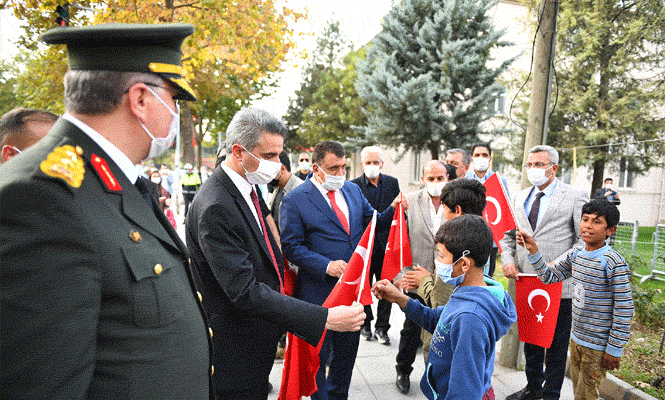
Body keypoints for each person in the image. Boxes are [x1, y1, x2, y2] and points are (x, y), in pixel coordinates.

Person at [1, 23, 213, 399]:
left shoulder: (113, 181)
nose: (177, 114)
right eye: (175, 98)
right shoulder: (43, 197)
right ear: (141, 100)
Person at [186, 110, 366, 400]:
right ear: (237, 151)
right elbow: (244, 290)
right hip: (236, 349)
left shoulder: (246, 189)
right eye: (269, 155)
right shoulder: (217, 205)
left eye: (280, 155)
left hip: (257, 340)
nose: (277, 164)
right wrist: (325, 318)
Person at [280, 140, 404, 400]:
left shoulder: (352, 191)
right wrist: (326, 265)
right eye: (333, 168)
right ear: (316, 168)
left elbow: (373, 223)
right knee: (319, 359)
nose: (339, 174)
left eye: (343, 168)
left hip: (353, 294)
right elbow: (291, 247)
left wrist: (393, 209)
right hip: (318, 295)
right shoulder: (295, 199)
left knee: (345, 360)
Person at [373, 214, 517, 400]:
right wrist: (400, 298)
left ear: (464, 264)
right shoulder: (468, 291)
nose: (437, 262)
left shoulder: (470, 318)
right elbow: (440, 321)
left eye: (441, 256)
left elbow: (465, 392)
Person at [517, 199, 633, 400]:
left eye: (597, 222)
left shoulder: (613, 262)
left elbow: (624, 308)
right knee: (579, 391)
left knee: (586, 394)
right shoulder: (576, 254)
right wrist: (533, 250)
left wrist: (614, 348)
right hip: (577, 339)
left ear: (610, 230)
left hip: (597, 346)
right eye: (585, 219)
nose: (588, 225)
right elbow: (548, 276)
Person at [501, 144, 589, 400]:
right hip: (528, 281)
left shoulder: (574, 196)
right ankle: (533, 387)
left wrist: (556, 265)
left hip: (559, 284)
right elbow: (507, 237)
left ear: (554, 168)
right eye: (530, 165)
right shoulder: (520, 197)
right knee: (531, 338)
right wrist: (508, 260)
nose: (533, 170)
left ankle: (551, 393)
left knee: (556, 345)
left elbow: (582, 241)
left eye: (539, 165)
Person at [403, 178, 488, 366]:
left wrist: (424, 280)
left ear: (457, 210)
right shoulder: (483, 235)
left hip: (444, 342)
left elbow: (440, 302)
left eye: (444, 207)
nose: (442, 212)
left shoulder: (456, 243)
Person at [391, 160, 450, 394]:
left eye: (440, 178)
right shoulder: (410, 200)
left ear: (448, 178)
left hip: (444, 280)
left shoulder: (454, 203)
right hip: (416, 276)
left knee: (442, 328)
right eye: (431, 179)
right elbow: (397, 239)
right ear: (423, 179)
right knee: (412, 328)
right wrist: (401, 274)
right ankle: (403, 369)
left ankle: (437, 374)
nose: (436, 183)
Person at [350, 145, 401, 345]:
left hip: (386, 245)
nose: (372, 166)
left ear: (382, 163)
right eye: (368, 162)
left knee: (386, 287)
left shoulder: (392, 183)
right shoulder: (354, 186)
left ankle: (382, 327)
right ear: (362, 164)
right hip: (364, 246)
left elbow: (397, 216)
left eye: (376, 162)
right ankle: (366, 324)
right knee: (363, 286)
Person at [465, 142, 509, 277]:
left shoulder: (499, 180)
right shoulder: (465, 180)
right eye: (477, 155)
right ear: (472, 158)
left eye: (484, 155)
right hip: (468, 237)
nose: (481, 158)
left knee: (487, 276)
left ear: (490, 158)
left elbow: (504, 208)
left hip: (491, 238)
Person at [267, 151, 303, 232]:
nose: (267, 174)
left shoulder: (300, 191)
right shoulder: (278, 187)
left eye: (270, 170)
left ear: (282, 168)